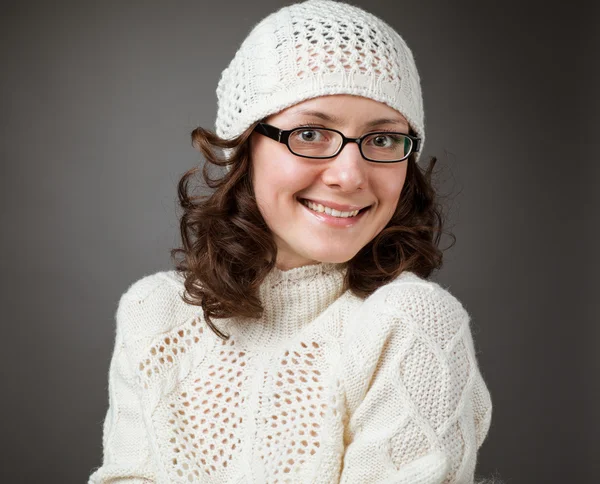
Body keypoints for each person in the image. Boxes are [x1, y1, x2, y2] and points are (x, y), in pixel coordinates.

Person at [88, 0, 494, 482]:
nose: (349, 175)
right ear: (245, 145)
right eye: (310, 133)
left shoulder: (410, 324)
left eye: (383, 140)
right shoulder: (155, 314)